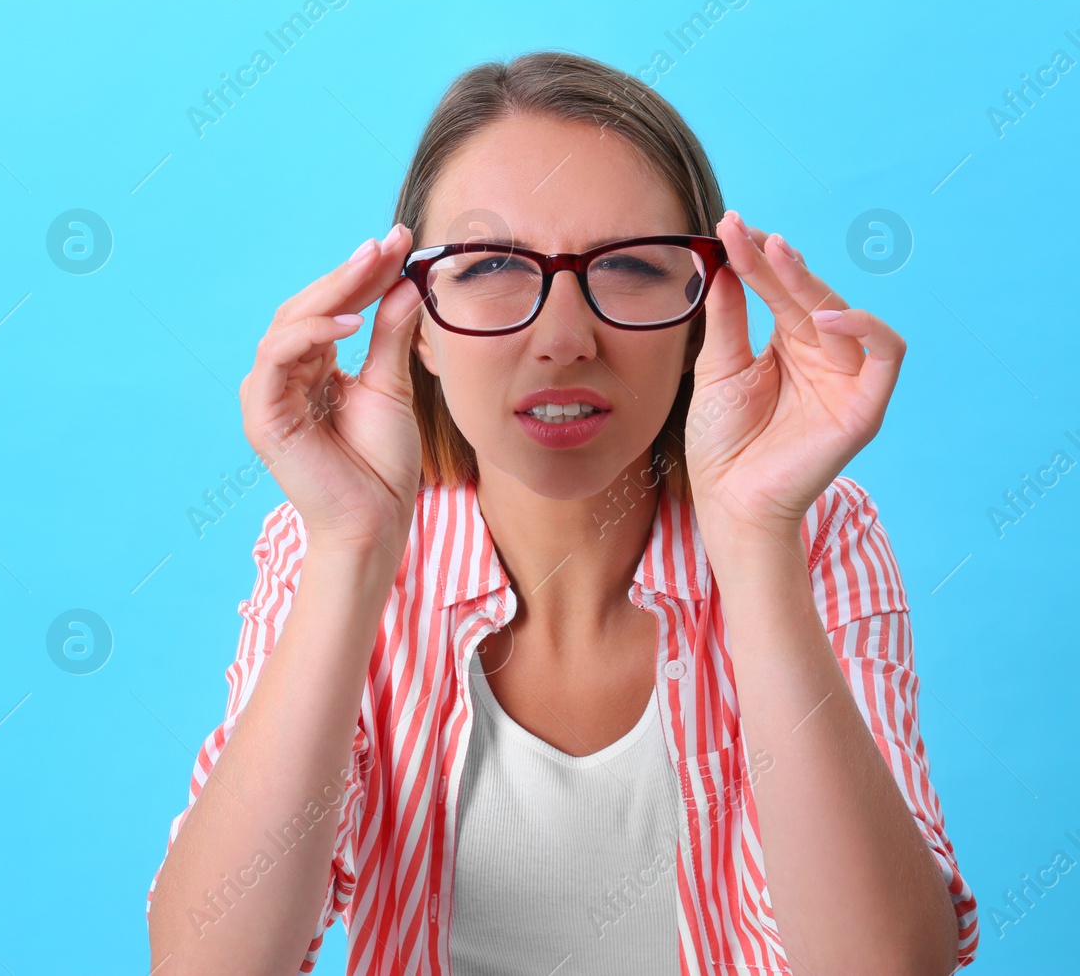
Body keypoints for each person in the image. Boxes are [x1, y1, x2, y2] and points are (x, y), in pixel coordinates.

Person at [145, 51, 977, 975]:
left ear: (704, 308)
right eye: (493, 264)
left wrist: (754, 541)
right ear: (414, 319)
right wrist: (349, 550)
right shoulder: (329, 542)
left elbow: (888, 967)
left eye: (628, 267)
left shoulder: (816, 535)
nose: (565, 338)